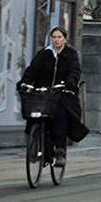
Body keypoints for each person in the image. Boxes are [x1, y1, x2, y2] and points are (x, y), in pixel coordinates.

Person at [18, 26, 88, 157]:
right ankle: (36, 141)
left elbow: (74, 71)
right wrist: (25, 82)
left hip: (61, 92)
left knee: (60, 112)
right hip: (43, 92)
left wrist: (70, 83)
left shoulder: (70, 54)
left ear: (64, 38)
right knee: (34, 112)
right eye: (54, 37)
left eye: (59, 37)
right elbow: (33, 69)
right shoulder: (44, 54)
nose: (56, 40)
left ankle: (60, 148)